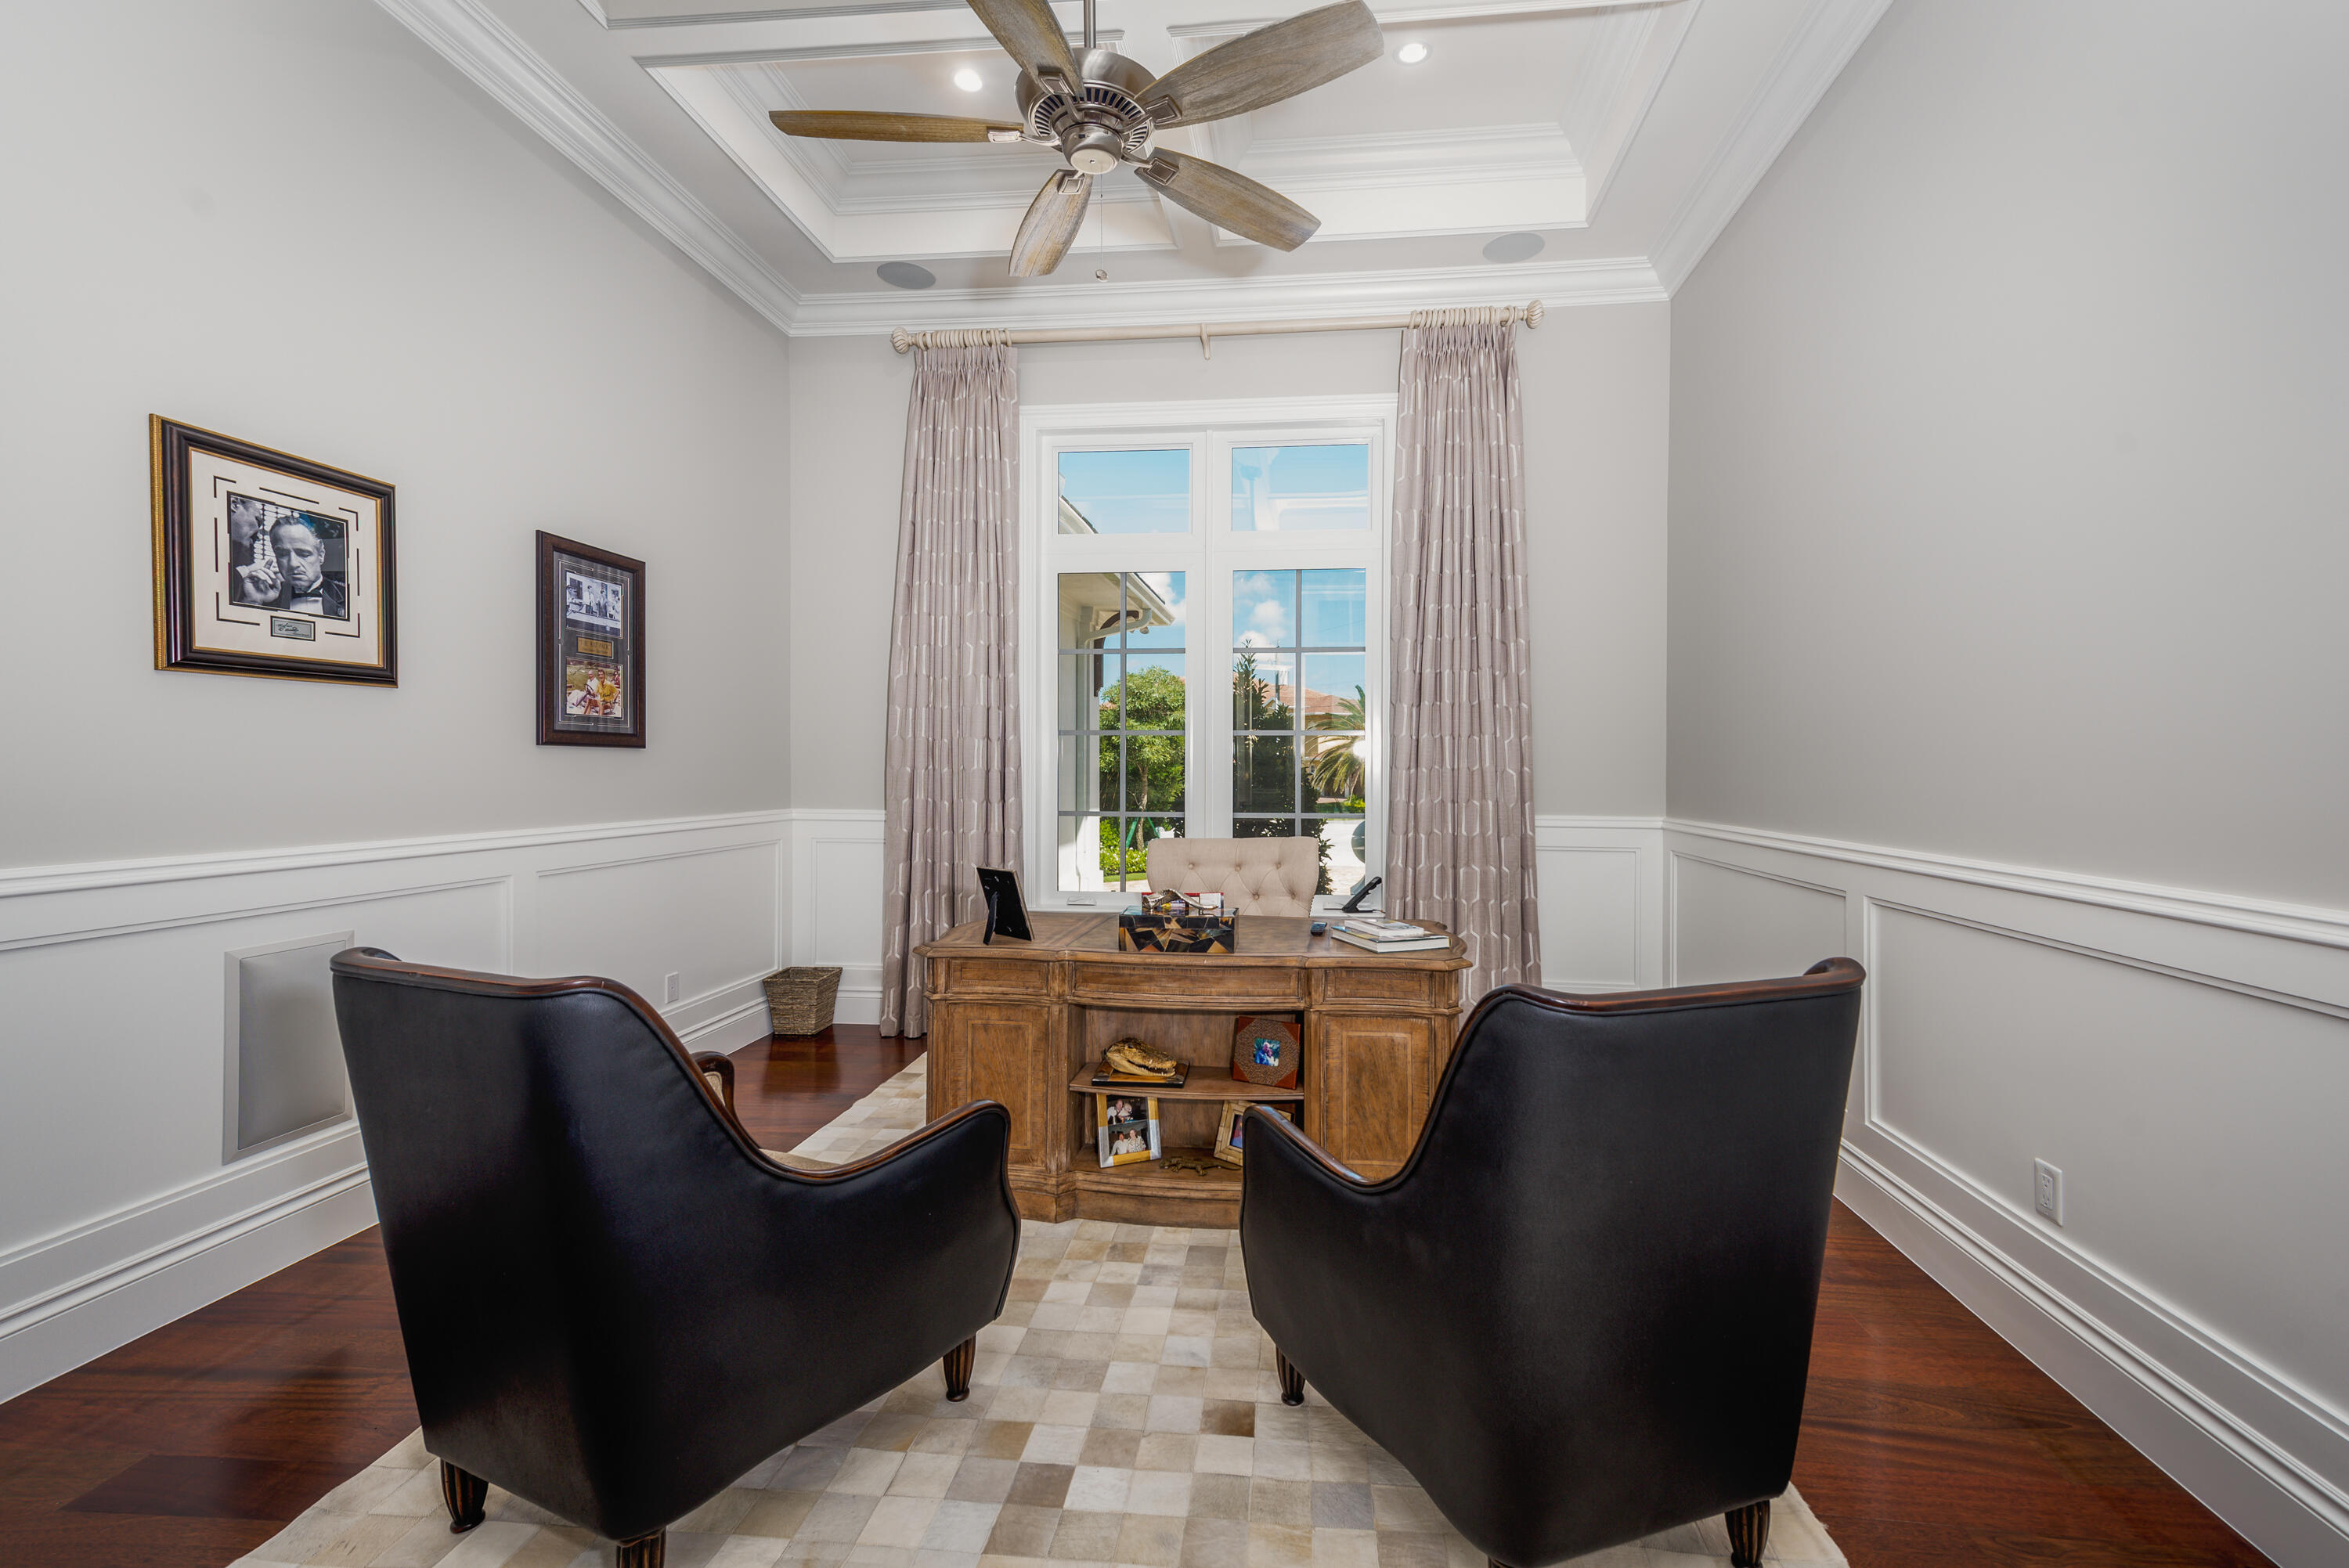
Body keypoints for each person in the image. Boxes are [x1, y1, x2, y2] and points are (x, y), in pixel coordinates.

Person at [233, 515, 347, 618]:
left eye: (303, 554)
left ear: (321, 554)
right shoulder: (263, 596)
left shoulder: (348, 597)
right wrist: (253, 601)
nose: (293, 564)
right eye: (283, 554)